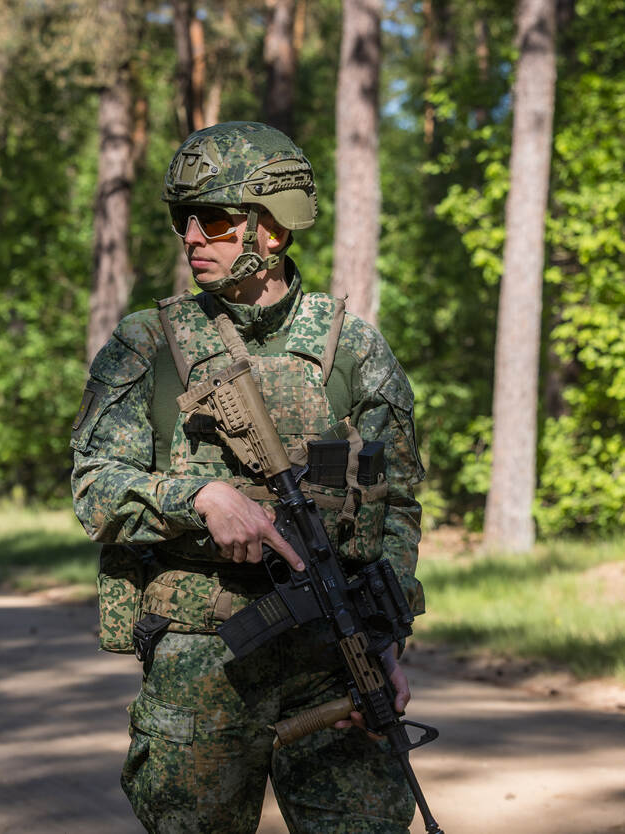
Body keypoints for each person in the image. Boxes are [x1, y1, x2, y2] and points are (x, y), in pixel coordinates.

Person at [69, 121, 426, 834]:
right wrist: (197, 496)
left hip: (332, 658)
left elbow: (396, 507)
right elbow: (94, 486)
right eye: (183, 219)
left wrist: (386, 638)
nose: (192, 237)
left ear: (274, 228)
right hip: (201, 664)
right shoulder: (149, 345)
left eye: (215, 218)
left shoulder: (353, 350)